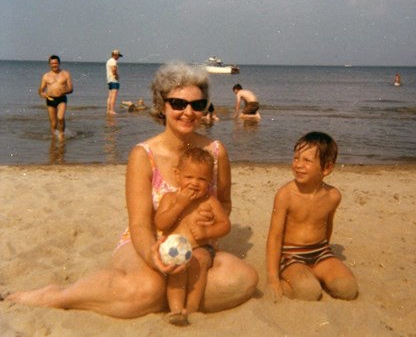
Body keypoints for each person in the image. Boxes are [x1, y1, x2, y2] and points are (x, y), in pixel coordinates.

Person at [6, 62, 258, 318]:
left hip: (197, 244)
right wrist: (153, 258)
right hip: (149, 238)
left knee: (243, 279)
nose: (188, 112)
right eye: (178, 104)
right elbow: (139, 224)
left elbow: (224, 202)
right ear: (162, 105)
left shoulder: (215, 152)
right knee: (148, 287)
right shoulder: (143, 154)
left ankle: (165, 297)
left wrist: (208, 224)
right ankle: (59, 295)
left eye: (197, 104)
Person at [266, 131, 358, 302]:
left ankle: (313, 274)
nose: (298, 165)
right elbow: (274, 237)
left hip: (320, 252)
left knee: (348, 289)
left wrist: (326, 256)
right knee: (309, 292)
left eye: (307, 160)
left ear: (326, 168)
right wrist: (272, 279)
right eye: (296, 158)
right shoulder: (286, 195)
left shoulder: (333, 196)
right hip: (290, 255)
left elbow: (327, 226)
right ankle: (294, 279)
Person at [155, 147, 231, 325]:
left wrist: (207, 232)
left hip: (200, 247)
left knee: (200, 260)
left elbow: (225, 225)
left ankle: (192, 308)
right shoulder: (169, 198)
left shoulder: (209, 201)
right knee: (178, 267)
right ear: (177, 174)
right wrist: (179, 205)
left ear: (210, 180)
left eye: (202, 179)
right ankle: (176, 309)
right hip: (173, 248)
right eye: (189, 177)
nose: (195, 183)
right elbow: (160, 223)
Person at [38, 55, 73, 138]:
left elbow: (71, 89)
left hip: (61, 99)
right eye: (52, 63)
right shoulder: (46, 76)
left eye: (56, 63)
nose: (54, 65)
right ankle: (54, 138)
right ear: (49, 64)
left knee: (60, 118)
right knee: (53, 123)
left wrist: (64, 91)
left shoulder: (66, 74)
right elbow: (41, 89)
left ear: (59, 63)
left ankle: (61, 136)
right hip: (50, 99)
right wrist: (42, 93)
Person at [106, 49, 123, 114]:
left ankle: (108, 110)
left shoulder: (108, 61)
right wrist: (116, 76)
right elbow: (113, 70)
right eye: (118, 56)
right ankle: (112, 110)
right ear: (115, 55)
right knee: (113, 96)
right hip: (114, 80)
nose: (118, 57)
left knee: (110, 96)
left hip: (109, 80)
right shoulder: (113, 61)